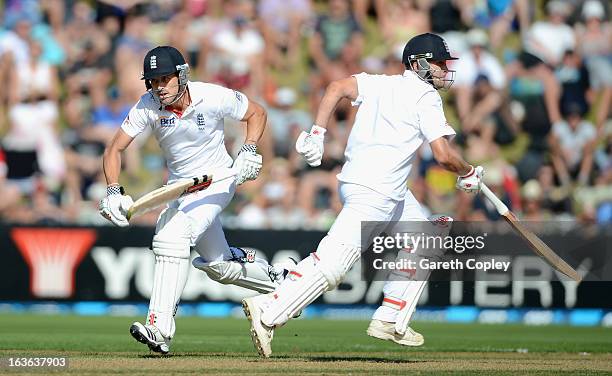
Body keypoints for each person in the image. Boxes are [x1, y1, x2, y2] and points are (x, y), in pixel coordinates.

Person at [241, 33, 484, 357]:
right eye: (439, 62)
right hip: (376, 191)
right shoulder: (426, 97)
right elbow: (442, 155)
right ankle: (269, 310)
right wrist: (467, 171)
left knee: (428, 236)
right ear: (420, 64)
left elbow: (336, 88)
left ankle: (390, 317)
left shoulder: (380, 83)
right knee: (333, 265)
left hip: (370, 185)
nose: (444, 69)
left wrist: (318, 132)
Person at [98, 46, 290, 355]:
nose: (159, 88)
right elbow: (113, 149)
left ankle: (159, 329)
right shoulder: (147, 105)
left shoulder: (211, 96)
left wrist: (249, 149)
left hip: (217, 181)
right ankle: (283, 283)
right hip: (180, 188)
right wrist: (112, 191)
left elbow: (257, 112)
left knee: (172, 236)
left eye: (165, 79)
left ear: (182, 75)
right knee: (219, 266)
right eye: (153, 81)